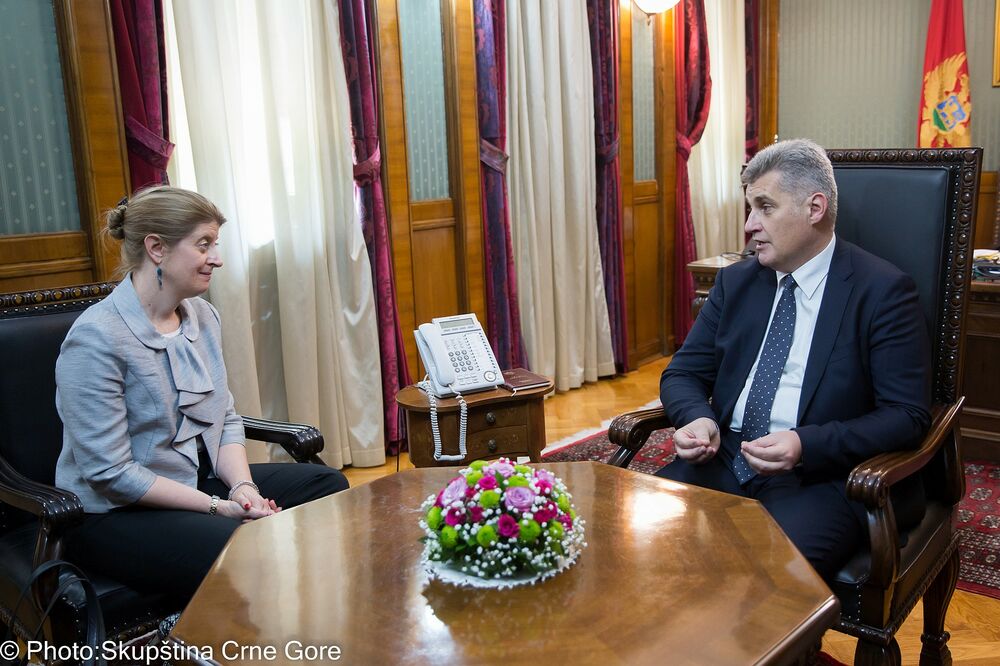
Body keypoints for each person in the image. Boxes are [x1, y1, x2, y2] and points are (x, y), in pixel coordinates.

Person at [56, 185, 349, 601]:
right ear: (156, 248)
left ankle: (311, 616)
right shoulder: (96, 339)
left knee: (327, 486)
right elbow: (111, 474)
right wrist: (217, 508)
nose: (218, 257)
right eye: (204, 244)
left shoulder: (203, 317)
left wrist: (242, 491)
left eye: (216, 243)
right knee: (244, 547)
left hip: (194, 483)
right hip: (113, 514)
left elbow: (225, 418)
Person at [656, 139, 931, 580]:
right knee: (649, 544)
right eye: (749, 208)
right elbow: (684, 372)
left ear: (815, 208)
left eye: (765, 207)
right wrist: (694, 417)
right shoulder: (735, 283)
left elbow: (907, 415)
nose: (750, 225)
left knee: (765, 580)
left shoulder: (881, 291)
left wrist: (806, 444)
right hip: (725, 456)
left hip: (825, 478)